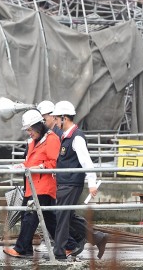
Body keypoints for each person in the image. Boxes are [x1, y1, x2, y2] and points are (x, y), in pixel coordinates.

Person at [50, 100, 108, 261]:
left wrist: (91, 183)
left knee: (61, 216)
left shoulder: (76, 137)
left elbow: (86, 162)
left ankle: (59, 253)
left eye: (56, 119)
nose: (54, 122)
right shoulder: (66, 136)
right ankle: (97, 237)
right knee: (67, 216)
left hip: (70, 183)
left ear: (64, 118)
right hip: (65, 182)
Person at [3, 109, 60, 259]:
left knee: (30, 217)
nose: (29, 132)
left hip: (43, 186)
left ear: (37, 126)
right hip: (33, 185)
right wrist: (21, 165)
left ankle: (22, 249)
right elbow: (30, 161)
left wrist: (37, 167)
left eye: (30, 129)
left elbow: (53, 163)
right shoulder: (35, 141)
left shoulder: (52, 139)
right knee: (47, 219)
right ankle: (68, 245)